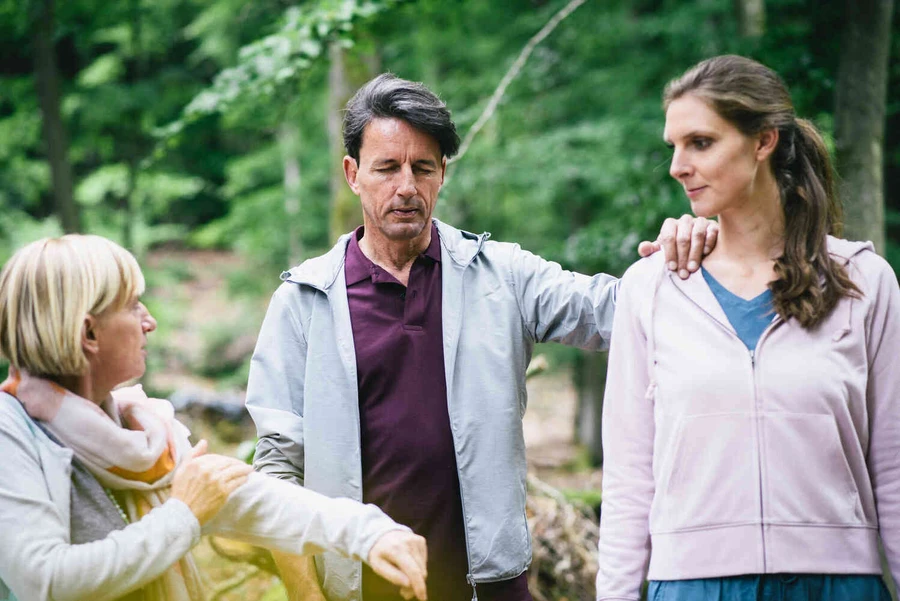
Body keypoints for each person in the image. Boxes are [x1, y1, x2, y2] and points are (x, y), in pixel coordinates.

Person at [245, 73, 716, 601]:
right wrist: (307, 593)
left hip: (492, 587)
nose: (407, 186)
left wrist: (699, 252)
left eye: (423, 168)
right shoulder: (305, 301)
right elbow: (277, 470)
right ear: (353, 174)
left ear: (442, 173)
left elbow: (615, 311)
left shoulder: (502, 276)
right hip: (359, 588)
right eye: (387, 168)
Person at [596, 54, 900, 601]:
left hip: (837, 584)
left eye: (700, 143)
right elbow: (628, 478)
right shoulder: (652, 288)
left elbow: (894, 466)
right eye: (674, 146)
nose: (678, 166)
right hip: (691, 586)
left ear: (763, 141)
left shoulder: (863, 282)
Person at [0, 234, 430, 601]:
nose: (149, 321)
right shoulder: (12, 431)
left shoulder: (142, 428)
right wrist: (183, 515)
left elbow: (251, 500)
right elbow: (45, 579)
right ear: (89, 333)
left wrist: (370, 533)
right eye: (132, 306)